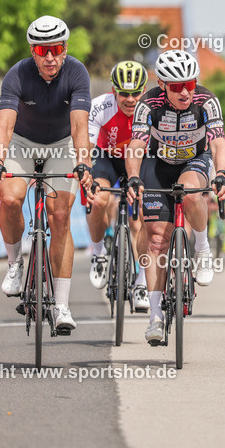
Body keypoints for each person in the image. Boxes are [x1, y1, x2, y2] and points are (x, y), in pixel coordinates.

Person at [0, 15, 94, 333]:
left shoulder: (77, 72)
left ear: (65, 48)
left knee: (60, 216)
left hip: (61, 144)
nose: (49, 57)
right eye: (41, 50)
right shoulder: (17, 74)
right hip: (23, 142)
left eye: (56, 49)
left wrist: (83, 163)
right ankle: (15, 262)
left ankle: (61, 305)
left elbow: (79, 127)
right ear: (32, 51)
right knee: (10, 198)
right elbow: (4, 127)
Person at [124, 50, 225, 346]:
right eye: (176, 86)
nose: (185, 92)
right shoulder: (148, 104)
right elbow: (136, 145)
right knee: (157, 239)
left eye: (190, 84)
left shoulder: (206, 101)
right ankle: (155, 316)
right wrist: (133, 176)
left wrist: (222, 173)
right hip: (158, 164)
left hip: (194, 161)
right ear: (161, 84)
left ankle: (202, 249)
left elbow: (219, 143)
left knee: (191, 193)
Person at [86, 61, 148, 311]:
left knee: (143, 213)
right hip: (107, 157)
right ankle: (99, 254)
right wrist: (85, 172)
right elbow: (87, 147)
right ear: (114, 90)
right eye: (124, 93)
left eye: (136, 93)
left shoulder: (152, 108)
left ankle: (143, 281)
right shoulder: (100, 106)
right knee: (98, 199)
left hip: (141, 160)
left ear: (144, 90)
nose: (130, 99)